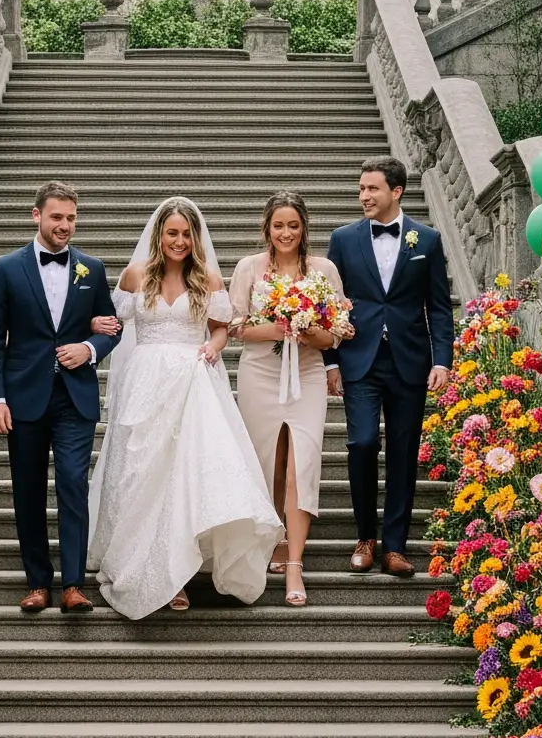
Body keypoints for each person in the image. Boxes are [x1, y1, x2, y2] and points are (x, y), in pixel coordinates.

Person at [89, 195, 282, 620]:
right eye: (172, 233)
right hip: (145, 382)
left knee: (183, 475)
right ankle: (145, 567)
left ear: (196, 238)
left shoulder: (209, 279)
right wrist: (89, 326)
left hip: (192, 381)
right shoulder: (135, 274)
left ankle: (177, 571)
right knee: (143, 475)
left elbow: (219, 332)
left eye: (186, 234)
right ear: (159, 235)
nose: (179, 241)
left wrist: (212, 350)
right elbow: (109, 321)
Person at [0, 179, 122, 616]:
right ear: (36, 215)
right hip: (23, 398)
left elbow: (112, 328)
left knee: (74, 485)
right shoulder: (5, 269)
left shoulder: (92, 270)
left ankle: (74, 585)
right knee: (26, 490)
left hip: (74, 398)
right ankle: (38, 582)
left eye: (71, 218)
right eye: (57, 217)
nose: (65, 226)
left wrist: (90, 348)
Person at [326, 153, 453, 576]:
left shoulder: (427, 241)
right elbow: (330, 306)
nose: (364, 195)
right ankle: (365, 536)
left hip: (410, 361)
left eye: (372, 188)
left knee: (403, 452)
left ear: (396, 191)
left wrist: (443, 361)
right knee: (362, 444)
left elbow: (438, 307)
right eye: (361, 188)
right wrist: (331, 362)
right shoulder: (343, 239)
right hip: (358, 359)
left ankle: (395, 546)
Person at [228, 190, 349, 609]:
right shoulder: (248, 268)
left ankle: (294, 563)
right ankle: (271, 540)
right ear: (267, 228)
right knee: (267, 463)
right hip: (260, 373)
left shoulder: (323, 270)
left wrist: (309, 329)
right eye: (278, 225)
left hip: (309, 375)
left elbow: (336, 333)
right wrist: (280, 325)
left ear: (304, 228)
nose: (286, 233)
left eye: (293, 226)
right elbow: (235, 326)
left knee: (303, 464)